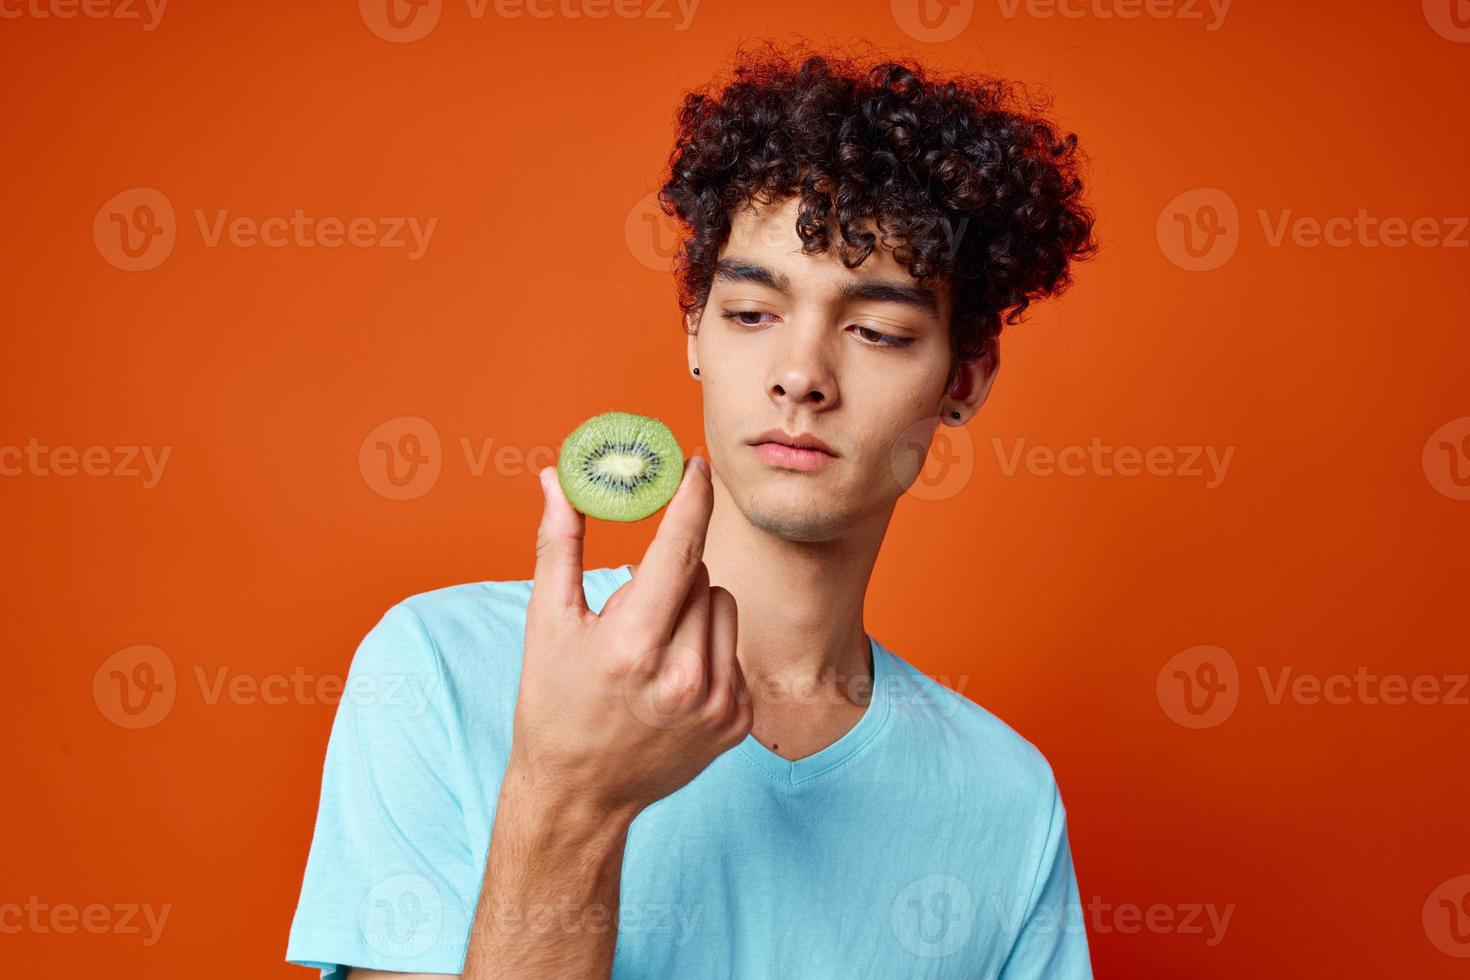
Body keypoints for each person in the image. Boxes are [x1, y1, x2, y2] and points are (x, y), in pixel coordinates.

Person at [287, 38, 1098, 979]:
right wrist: (570, 798)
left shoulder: (1006, 799)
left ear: (963, 378)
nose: (801, 376)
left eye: (877, 330)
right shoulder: (441, 667)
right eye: (753, 314)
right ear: (694, 333)